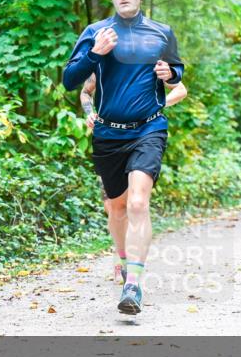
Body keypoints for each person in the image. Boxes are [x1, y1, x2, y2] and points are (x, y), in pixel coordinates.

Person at [63, 0, 183, 315]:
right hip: (108, 134)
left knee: (138, 203)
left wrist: (169, 73)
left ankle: (134, 284)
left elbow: (176, 70)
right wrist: (95, 53)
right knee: (116, 208)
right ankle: (122, 258)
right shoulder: (95, 32)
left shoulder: (161, 32)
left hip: (148, 128)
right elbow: (70, 80)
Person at [80, 73, 187, 283]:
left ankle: (130, 268)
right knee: (113, 206)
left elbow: (180, 89)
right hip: (109, 139)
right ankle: (120, 254)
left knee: (136, 203)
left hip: (144, 134)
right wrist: (90, 113)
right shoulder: (103, 61)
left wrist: (157, 105)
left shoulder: (150, 61)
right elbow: (85, 91)